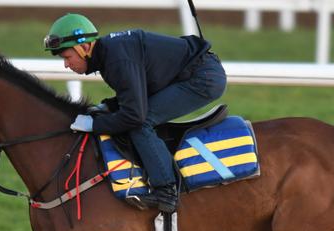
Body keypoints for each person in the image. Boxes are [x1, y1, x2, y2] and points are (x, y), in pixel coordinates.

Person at [44, 13, 227, 213]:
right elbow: (133, 94)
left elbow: (134, 115)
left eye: (67, 57)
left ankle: (166, 190)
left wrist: (95, 125)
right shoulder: (110, 55)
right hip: (193, 72)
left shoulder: (115, 60)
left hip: (203, 78)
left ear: (85, 47)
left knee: (141, 123)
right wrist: (108, 107)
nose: (66, 65)